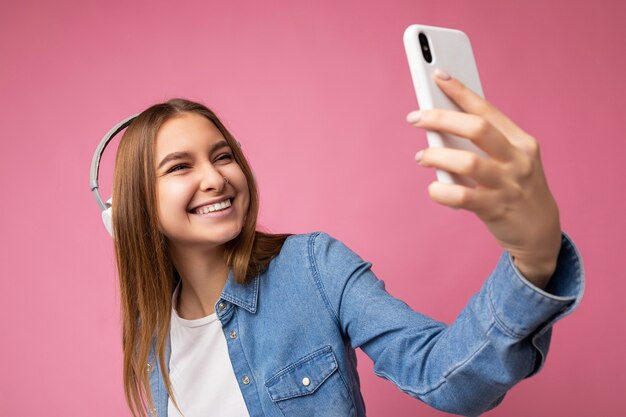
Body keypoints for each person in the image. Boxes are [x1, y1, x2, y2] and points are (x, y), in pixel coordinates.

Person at [111, 69, 583, 417]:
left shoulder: (313, 267)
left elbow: (445, 376)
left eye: (222, 156)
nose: (215, 178)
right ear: (133, 205)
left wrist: (533, 258)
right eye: (179, 167)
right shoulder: (153, 329)